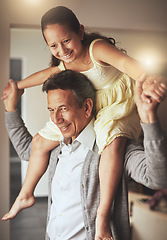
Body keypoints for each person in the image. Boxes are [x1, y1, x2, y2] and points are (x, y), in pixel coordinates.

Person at [1, 6, 166, 239]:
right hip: (97, 109)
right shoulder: (64, 73)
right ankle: (25, 194)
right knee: (38, 143)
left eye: (66, 40)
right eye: (54, 45)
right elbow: (30, 148)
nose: (62, 49)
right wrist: (16, 89)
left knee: (111, 143)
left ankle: (102, 216)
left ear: (80, 32)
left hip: (115, 106)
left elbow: (128, 64)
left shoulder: (96, 49)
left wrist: (147, 81)